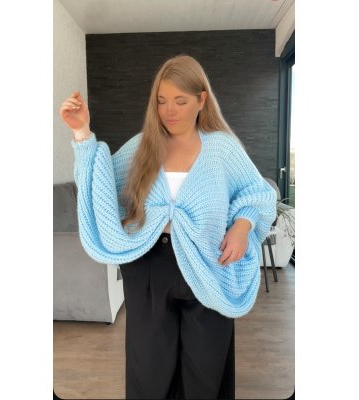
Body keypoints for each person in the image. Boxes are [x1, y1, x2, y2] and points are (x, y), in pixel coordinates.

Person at [59, 55, 277, 399]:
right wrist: (81, 132)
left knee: (206, 368)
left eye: (180, 101)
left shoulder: (222, 148)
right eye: (161, 101)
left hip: (209, 263)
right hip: (149, 264)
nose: (169, 111)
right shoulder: (142, 146)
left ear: (201, 100)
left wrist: (242, 226)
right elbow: (100, 186)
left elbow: (258, 193)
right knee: (149, 369)